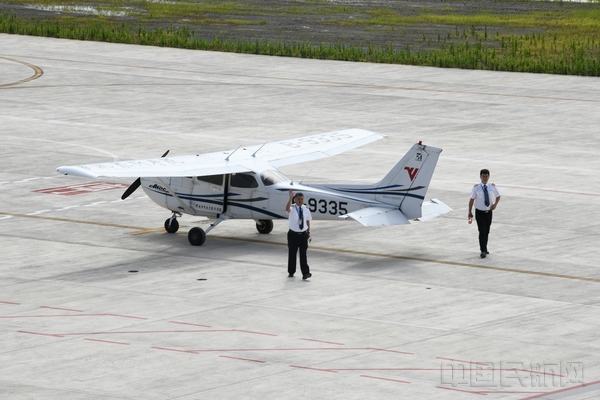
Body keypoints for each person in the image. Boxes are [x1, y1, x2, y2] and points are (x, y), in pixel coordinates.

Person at [468, 169, 501, 258]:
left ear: (489, 176)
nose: (485, 178)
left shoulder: (491, 186)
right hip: (480, 212)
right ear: (480, 177)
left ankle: (485, 248)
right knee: (482, 231)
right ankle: (482, 250)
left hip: (488, 212)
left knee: (487, 231)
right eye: (483, 176)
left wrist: (495, 205)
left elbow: (498, 196)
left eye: (486, 176)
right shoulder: (476, 187)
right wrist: (470, 212)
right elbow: (471, 200)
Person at [286, 190, 312, 279]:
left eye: (301, 199)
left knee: (303, 255)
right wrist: (290, 198)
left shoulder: (306, 209)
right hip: (293, 235)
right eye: (298, 199)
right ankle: (291, 271)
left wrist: (308, 232)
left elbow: (307, 220)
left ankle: (305, 273)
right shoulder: (292, 209)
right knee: (292, 254)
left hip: (303, 235)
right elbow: (287, 209)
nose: (300, 201)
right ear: (295, 200)